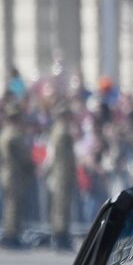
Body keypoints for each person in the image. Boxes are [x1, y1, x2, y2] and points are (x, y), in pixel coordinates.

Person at [0, 105, 34, 249]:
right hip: (14, 174)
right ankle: (12, 235)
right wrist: (30, 165)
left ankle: (12, 233)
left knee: (11, 204)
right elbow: (23, 155)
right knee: (13, 205)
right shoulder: (14, 135)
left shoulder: (4, 133)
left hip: (9, 172)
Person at [44, 107, 76, 250]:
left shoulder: (57, 132)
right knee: (61, 206)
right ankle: (60, 236)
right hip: (62, 173)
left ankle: (60, 234)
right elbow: (63, 157)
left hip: (60, 173)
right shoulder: (62, 133)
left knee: (60, 205)